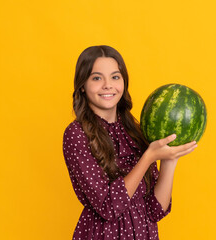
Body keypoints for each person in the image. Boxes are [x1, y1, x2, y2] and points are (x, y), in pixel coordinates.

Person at [62, 45, 198, 239]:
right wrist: (149, 157)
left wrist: (169, 160)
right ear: (82, 85)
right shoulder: (76, 134)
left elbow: (155, 210)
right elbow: (109, 207)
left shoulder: (134, 130)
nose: (108, 85)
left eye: (115, 77)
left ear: (123, 82)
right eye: (97, 78)